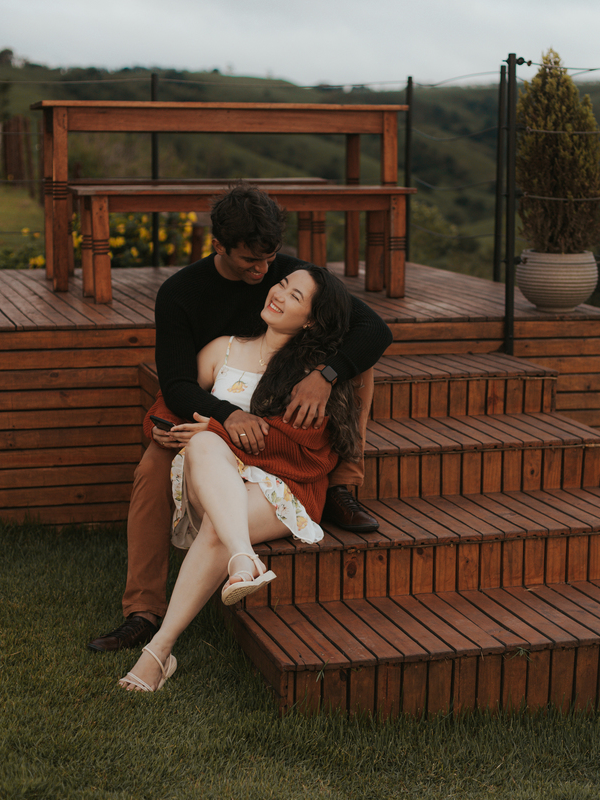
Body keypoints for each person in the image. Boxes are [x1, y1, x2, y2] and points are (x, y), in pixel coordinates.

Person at [88, 184, 392, 653]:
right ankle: (143, 611)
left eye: (271, 258)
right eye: (251, 260)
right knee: (150, 469)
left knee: (360, 363)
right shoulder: (181, 293)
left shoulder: (288, 277)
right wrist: (223, 416)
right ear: (218, 245)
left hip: (279, 411)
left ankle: (341, 485)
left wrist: (326, 375)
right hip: (213, 405)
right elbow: (177, 383)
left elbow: (375, 329)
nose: (264, 271)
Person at [118, 264, 360, 691]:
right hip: (212, 477)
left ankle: (158, 652)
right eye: (282, 284)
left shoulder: (314, 377)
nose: (279, 294)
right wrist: (161, 426)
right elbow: (173, 399)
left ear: (311, 321)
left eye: (295, 296)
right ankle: (244, 556)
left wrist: (215, 427)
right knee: (204, 445)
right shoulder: (223, 349)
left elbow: (303, 452)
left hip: (284, 488)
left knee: (218, 516)